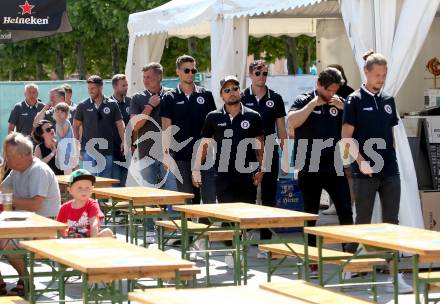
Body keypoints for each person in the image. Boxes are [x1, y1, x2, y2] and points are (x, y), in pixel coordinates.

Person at [342, 51, 412, 293]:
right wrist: (360, 161)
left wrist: (391, 160)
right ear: (367, 73)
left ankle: (395, 274)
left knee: (392, 223)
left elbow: (391, 136)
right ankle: (353, 266)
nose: (381, 79)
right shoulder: (354, 100)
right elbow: (346, 139)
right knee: (362, 220)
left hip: (390, 171)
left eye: (384, 75)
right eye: (377, 75)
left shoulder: (389, 99)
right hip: (364, 173)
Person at [288, 67, 353, 259]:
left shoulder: (342, 103)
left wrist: (346, 109)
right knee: (310, 215)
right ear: (318, 85)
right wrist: (312, 105)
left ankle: (348, 256)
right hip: (310, 165)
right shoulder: (304, 99)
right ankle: (312, 259)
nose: (332, 94)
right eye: (329, 90)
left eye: (335, 90)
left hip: (335, 165)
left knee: (345, 211)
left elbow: (357, 127)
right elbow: (291, 122)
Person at [0, 132, 61, 295]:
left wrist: (7, 199)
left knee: (4, 241)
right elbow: (3, 189)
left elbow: (35, 204)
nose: (5, 158)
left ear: (24, 155)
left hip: (44, 228)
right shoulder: (17, 169)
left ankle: (26, 281)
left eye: (8, 155)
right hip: (25, 224)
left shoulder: (37, 170)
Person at [193, 75, 264, 203]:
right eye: (227, 90)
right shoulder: (213, 117)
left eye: (235, 88)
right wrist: (196, 169)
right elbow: (204, 145)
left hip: (248, 175)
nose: (232, 92)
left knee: (246, 216)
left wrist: (261, 170)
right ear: (221, 95)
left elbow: (260, 147)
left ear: (240, 92)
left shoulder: (253, 116)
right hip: (223, 176)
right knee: (227, 220)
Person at [241, 60, 287, 256]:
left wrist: (285, 157)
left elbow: (282, 130)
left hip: (269, 150)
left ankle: (266, 243)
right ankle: (246, 236)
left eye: (265, 73)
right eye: (258, 73)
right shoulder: (241, 96)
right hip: (246, 152)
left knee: (269, 197)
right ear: (250, 75)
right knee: (247, 196)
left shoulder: (275, 98)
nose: (262, 76)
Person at [160, 55, 216, 204]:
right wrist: (166, 154)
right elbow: (166, 129)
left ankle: (205, 227)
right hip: (181, 157)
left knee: (209, 202)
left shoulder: (206, 95)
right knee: (187, 202)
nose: (191, 73)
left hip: (205, 156)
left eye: (194, 70)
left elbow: (213, 127)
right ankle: (191, 228)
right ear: (178, 71)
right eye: (187, 70)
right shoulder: (169, 97)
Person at [130, 63, 176, 190]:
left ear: (159, 77)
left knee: (172, 194)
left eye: (148, 77)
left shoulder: (172, 95)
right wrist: (150, 106)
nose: (145, 80)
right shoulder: (137, 98)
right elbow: (135, 125)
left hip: (169, 153)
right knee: (149, 196)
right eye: (144, 77)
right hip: (146, 154)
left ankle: (173, 211)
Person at [73, 75, 125, 178]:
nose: (90, 91)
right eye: (88, 88)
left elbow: (120, 123)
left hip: (107, 150)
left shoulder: (112, 104)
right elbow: (75, 125)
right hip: (88, 150)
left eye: (93, 88)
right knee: (89, 180)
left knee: (105, 182)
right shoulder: (83, 105)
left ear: (100, 87)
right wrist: (76, 145)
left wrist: (124, 141)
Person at [322, 64, 355, 216]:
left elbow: (356, 116)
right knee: (331, 172)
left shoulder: (349, 93)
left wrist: (342, 106)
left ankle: (350, 202)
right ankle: (334, 204)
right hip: (328, 139)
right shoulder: (322, 93)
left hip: (345, 139)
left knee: (347, 171)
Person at [57, 169, 113, 238]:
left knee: (107, 232)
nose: (84, 191)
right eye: (79, 188)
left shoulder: (92, 204)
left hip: (90, 240)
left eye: (87, 187)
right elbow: (59, 228)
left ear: (92, 189)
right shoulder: (64, 207)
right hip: (72, 242)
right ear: (70, 190)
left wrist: (91, 243)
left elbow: (94, 224)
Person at [109, 74, 132, 186]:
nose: (126, 87)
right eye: (123, 85)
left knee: (124, 183)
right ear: (115, 87)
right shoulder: (107, 104)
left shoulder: (130, 102)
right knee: (115, 183)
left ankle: (121, 204)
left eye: (126, 85)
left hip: (127, 151)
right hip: (112, 150)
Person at [54, 102, 76, 173]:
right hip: (62, 151)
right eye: (57, 112)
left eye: (62, 112)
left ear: (67, 114)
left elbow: (62, 134)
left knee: (68, 173)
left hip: (68, 152)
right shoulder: (58, 123)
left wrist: (58, 121)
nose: (59, 114)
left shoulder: (66, 122)